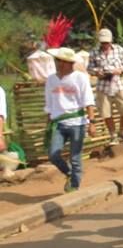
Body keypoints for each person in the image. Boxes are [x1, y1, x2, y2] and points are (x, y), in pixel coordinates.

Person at [44, 47, 96, 192]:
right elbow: (49, 103)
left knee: (75, 157)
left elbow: (88, 101)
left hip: (77, 123)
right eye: (58, 60)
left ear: (71, 63)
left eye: (63, 61)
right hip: (58, 123)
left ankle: (74, 186)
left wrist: (92, 123)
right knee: (53, 155)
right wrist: (48, 123)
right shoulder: (51, 80)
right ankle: (69, 173)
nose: (60, 64)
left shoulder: (80, 78)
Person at [87, 28, 123, 146]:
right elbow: (89, 68)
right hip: (103, 85)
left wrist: (120, 70)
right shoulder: (94, 52)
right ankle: (113, 135)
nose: (105, 44)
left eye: (106, 42)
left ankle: (122, 131)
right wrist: (97, 72)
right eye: (103, 42)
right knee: (106, 112)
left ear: (111, 41)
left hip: (118, 83)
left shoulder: (119, 49)